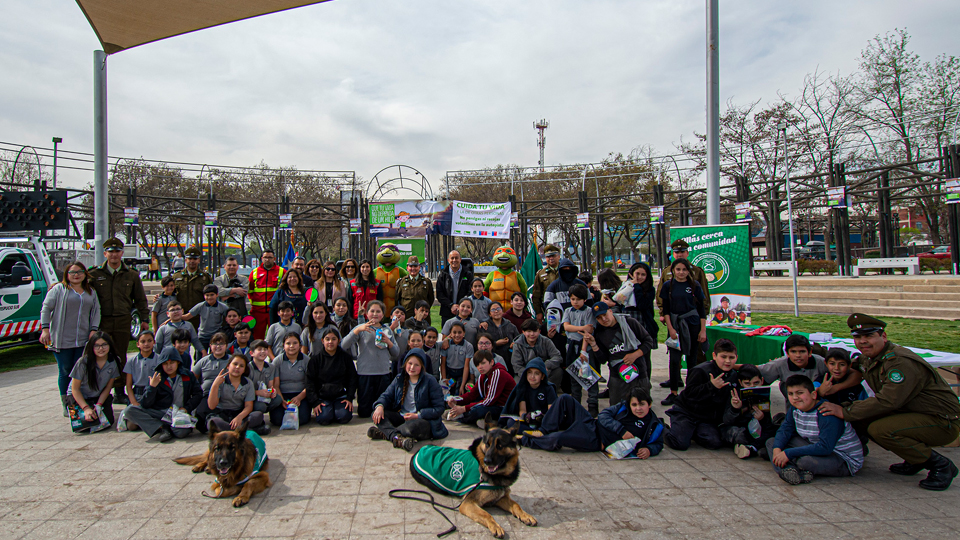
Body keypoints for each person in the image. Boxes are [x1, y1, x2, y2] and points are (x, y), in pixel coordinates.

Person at [818, 313, 960, 491]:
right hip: (911, 412)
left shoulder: (899, 362)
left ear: (883, 336)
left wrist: (844, 411)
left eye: (869, 336)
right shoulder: (872, 357)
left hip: (941, 420)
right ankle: (915, 458)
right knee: (861, 418)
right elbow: (853, 366)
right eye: (858, 337)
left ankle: (941, 466)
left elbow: (887, 401)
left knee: (880, 430)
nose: (863, 341)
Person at [768, 375, 864, 485]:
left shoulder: (826, 413)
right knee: (772, 443)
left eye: (800, 393)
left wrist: (788, 453)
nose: (795, 398)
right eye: (791, 394)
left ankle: (796, 469)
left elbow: (825, 448)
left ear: (813, 395)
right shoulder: (795, 409)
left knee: (805, 462)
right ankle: (790, 472)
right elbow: (785, 429)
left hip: (841, 458)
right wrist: (777, 450)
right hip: (815, 446)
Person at [87, 238, 149, 405]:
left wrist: (144, 319)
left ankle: (119, 391)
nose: (114, 255)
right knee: (102, 355)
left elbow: (140, 299)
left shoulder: (131, 275)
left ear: (122, 253)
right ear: (105, 253)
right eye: (110, 251)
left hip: (123, 320)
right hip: (102, 321)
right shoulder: (94, 274)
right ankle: (101, 390)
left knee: (120, 356)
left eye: (117, 251)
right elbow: (78, 286)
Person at [521, 388, 663, 459]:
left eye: (642, 404)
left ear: (649, 404)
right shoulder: (623, 408)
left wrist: (650, 450)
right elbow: (603, 416)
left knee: (559, 438)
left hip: (596, 441)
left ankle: (526, 440)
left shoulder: (653, 424)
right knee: (565, 398)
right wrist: (622, 431)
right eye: (634, 405)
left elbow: (659, 443)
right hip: (592, 425)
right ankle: (543, 430)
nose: (638, 408)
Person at [41, 261, 102, 416]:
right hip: (62, 339)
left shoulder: (90, 292)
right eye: (72, 272)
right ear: (66, 275)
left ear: (85, 274)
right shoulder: (58, 290)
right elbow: (46, 308)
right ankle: (67, 404)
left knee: (80, 371)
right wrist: (45, 329)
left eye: (80, 272)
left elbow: (96, 312)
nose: (76, 275)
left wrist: (93, 330)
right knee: (65, 370)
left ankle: (79, 401)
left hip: (83, 339)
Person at [663, 338, 739, 451]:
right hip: (686, 412)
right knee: (679, 443)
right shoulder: (700, 370)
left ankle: (690, 431)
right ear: (714, 356)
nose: (727, 361)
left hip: (705, 418)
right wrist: (711, 386)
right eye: (723, 357)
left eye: (731, 358)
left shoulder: (733, 376)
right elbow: (689, 395)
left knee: (714, 442)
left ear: (736, 358)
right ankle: (659, 427)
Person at [370, 349, 448, 451]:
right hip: (403, 417)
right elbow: (386, 395)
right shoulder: (399, 379)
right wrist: (380, 406)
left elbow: (439, 408)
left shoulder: (430, 381)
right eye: (410, 363)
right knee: (376, 414)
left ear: (422, 367)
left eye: (416, 365)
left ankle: (386, 433)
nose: (412, 367)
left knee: (410, 429)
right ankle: (395, 437)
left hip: (422, 420)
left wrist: (418, 415)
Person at [581, 302, 655, 408]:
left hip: (638, 372)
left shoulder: (629, 322)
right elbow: (603, 359)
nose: (604, 319)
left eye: (605, 314)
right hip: (617, 376)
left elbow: (648, 341)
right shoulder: (600, 333)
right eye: (599, 318)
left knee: (641, 407)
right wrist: (593, 344)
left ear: (610, 311)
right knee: (617, 409)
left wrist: (634, 355)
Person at [123, 347, 203, 441]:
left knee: (181, 433)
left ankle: (168, 428)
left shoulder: (187, 375)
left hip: (180, 413)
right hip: (161, 412)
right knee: (129, 410)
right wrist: (152, 388)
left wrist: (187, 408)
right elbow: (145, 404)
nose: (169, 366)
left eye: (172, 363)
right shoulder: (156, 377)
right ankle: (161, 427)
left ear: (178, 362)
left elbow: (198, 394)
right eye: (165, 363)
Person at [659, 258, 707, 405]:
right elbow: (665, 309)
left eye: (684, 270)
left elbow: (701, 310)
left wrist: (702, 330)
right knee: (674, 359)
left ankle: (690, 391)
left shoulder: (694, 285)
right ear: (673, 270)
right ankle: (674, 392)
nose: (681, 273)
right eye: (678, 269)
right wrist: (671, 328)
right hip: (675, 324)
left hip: (692, 323)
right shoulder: (668, 286)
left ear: (688, 271)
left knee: (692, 358)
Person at [656, 239, 710, 367]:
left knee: (696, 350)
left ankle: (697, 376)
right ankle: (675, 379)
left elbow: (704, 297)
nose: (679, 254)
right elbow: (660, 294)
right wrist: (663, 312)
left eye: (682, 251)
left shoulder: (697, 271)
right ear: (672, 254)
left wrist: (703, 315)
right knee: (675, 348)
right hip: (674, 316)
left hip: (693, 317)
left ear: (687, 253)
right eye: (676, 252)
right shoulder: (667, 272)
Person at [342, 300, 399, 418]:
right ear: (367, 313)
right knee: (364, 412)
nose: (375, 314)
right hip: (365, 373)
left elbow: (396, 353)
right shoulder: (362, 329)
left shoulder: (387, 330)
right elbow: (343, 345)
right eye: (372, 311)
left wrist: (388, 342)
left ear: (383, 315)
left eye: (378, 311)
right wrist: (357, 330)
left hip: (383, 373)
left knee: (383, 409)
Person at [446, 350, 516, 427]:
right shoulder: (483, 375)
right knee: (470, 405)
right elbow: (472, 394)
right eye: (477, 365)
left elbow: (488, 401)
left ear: (491, 362)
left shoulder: (498, 373)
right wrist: (456, 400)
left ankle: (462, 416)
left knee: (478, 410)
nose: (480, 367)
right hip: (493, 405)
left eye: (483, 363)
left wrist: (463, 409)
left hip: (504, 408)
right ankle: (461, 414)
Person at [720, 364, 776, 459]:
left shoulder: (763, 395)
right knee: (738, 434)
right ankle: (754, 447)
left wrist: (762, 419)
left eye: (756, 383)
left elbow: (768, 423)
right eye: (748, 384)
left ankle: (751, 448)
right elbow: (726, 421)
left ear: (762, 381)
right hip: (740, 428)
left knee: (775, 431)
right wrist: (735, 408)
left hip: (757, 428)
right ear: (741, 383)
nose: (752, 386)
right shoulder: (735, 395)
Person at [68, 331, 122, 430]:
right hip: (79, 396)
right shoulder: (83, 362)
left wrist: (99, 405)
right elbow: (75, 389)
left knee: (108, 421)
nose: (101, 349)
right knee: (85, 424)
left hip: (98, 396)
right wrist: (86, 408)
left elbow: (108, 387)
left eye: (104, 345)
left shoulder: (114, 361)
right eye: (96, 346)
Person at [305, 327, 358, 425]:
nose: (330, 342)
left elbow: (352, 378)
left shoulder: (345, 357)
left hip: (340, 396)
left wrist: (349, 398)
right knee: (324, 419)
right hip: (322, 397)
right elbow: (310, 382)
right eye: (327, 339)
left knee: (344, 417)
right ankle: (329, 411)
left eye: (333, 339)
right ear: (322, 341)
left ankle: (336, 411)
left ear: (339, 340)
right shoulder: (315, 360)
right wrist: (315, 402)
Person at [206, 354, 270, 435]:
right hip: (222, 414)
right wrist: (215, 385)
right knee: (213, 422)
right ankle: (244, 430)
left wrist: (239, 417)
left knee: (258, 415)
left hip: (239, 414)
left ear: (244, 370)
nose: (237, 367)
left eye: (241, 366)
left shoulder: (248, 382)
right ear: (228, 366)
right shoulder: (220, 381)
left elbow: (248, 406)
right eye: (235, 364)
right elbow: (212, 406)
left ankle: (231, 431)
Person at [617, 262, 659, 379]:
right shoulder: (626, 286)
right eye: (637, 274)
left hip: (643, 323)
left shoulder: (649, 290)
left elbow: (642, 304)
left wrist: (637, 287)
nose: (639, 277)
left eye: (643, 275)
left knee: (644, 357)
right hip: (627, 322)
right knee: (626, 357)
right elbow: (619, 301)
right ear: (631, 274)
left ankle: (645, 384)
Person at [756, 335, 831, 399]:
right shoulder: (780, 363)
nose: (798, 355)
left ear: (810, 352)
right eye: (793, 351)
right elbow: (754, 369)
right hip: (793, 407)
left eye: (802, 351)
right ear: (787, 353)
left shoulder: (821, 362)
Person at [268, 332, 312, 428]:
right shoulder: (277, 361)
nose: (291, 346)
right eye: (288, 343)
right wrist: (281, 399)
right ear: (283, 346)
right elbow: (276, 385)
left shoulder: (306, 360)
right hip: (282, 394)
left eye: (295, 343)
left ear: (300, 345)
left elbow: (310, 384)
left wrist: (299, 398)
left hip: (301, 394)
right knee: (277, 420)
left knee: (302, 419)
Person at [501, 357, 557, 430]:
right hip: (528, 420)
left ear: (542, 376)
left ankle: (538, 432)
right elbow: (522, 410)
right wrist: (526, 416)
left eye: (536, 373)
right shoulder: (522, 387)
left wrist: (541, 417)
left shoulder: (548, 388)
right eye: (529, 372)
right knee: (511, 423)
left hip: (544, 420)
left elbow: (551, 411)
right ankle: (533, 433)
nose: (532, 376)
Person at [170, 246, 213, 333]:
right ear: (186, 260)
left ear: (198, 260)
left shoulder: (205, 277)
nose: (192, 261)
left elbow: (211, 296)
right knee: (181, 342)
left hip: (199, 316)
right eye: (190, 259)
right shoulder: (176, 276)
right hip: (181, 315)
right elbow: (170, 293)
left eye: (195, 258)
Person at [562, 284, 594, 397]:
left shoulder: (589, 311)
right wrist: (581, 328)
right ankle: (576, 404)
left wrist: (583, 350)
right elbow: (566, 327)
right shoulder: (568, 311)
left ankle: (592, 405)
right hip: (571, 345)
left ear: (585, 299)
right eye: (573, 299)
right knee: (574, 377)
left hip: (585, 346)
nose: (575, 302)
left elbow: (588, 332)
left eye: (578, 299)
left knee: (588, 377)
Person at [510, 318, 563, 385]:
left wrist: (546, 365)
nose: (532, 334)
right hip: (526, 371)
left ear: (539, 331)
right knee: (516, 382)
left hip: (544, 371)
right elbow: (516, 365)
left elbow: (557, 356)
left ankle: (549, 392)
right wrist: (529, 373)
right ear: (523, 332)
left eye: (535, 331)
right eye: (529, 331)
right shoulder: (517, 345)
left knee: (558, 372)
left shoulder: (546, 341)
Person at [182, 284, 230, 352]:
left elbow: (230, 317)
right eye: (207, 295)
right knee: (200, 356)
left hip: (216, 336)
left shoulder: (223, 307)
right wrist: (172, 319)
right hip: (203, 336)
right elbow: (187, 317)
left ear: (217, 295)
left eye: (212, 295)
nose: (209, 297)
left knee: (215, 355)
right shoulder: (200, 306)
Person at [249, 249, 285, 340]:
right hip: (258, 312)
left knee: (276, 336)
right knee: (257, 337)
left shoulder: (282, 272)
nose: (267, 260)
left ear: (274, 259)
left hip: (275, 310)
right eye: (265, 257)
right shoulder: (254, 272)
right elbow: (250, 291)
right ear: (261, 258)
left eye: (270, 257)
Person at [123, 331, 160, 408]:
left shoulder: (159, 359)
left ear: (154, 342)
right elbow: (128, 385)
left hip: (154, 393)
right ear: (138, 344)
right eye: (143, 341)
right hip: (137, 394)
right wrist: (133, 402)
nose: (146, 344)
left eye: (149, 341)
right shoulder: (131, 361)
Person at [435, 250, 473, 324]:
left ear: (460, 259)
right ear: (448, 260)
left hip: (464, 312)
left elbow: (470, 291)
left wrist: (461, 306)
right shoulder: (443, 275)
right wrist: (451, 305)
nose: (454, 260)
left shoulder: (468, 274)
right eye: (452, 258)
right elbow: (439, 294)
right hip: (447, 312)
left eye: (456, 258)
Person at [247, 339, 282, 416]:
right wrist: (257, 392)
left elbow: (270, 385)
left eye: (265, 349)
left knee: (278, 399)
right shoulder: (248, 368)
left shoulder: (271, 367)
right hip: (251, 397)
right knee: (260, 406)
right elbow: (245, 389)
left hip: (264, 395)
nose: (263, 351)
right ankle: (254, 417)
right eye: (259, 349)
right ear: (251, 353)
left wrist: (272, 391)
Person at [481, 302, 519, 373]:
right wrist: (495, 343)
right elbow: (480, 344)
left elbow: (518, 339)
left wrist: (514, 344)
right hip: (492, 359)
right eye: (493, 310)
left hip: (510, 359)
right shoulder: (485, 327)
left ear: (502, 311)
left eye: (498, 309)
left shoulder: (510, 326)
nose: (496, 311)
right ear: (489, 314)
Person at [395, 256, 435, 325]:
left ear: (419, 267)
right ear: (407, 268)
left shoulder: (426, 282)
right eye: (411, 266)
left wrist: (424, 311)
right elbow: (397, 299)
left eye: (415, 266)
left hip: (423, 317)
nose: (413, 268)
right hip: (407, 316)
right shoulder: (401, 282)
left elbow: (430, 299)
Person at [440, 321, 474, 396]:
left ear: (464, 333)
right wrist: (445, 380)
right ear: (450, 333)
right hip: (450, 373)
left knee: (460, 393)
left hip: (461, 373)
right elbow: (443, 364)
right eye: (454, 332)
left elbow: (466, 366)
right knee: (448, 394)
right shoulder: (446, 345)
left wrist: (462, 384)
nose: (457, 335)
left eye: (460, 332)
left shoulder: (468, 346)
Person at [530, 244, 561, 323]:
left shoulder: (566, 270)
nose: (551, 258)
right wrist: (538, 312)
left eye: (553, 256)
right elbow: (536, 295)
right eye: (548, 256)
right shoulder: (541, 274)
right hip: (548, 309)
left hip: (565, 307)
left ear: (558, 256)